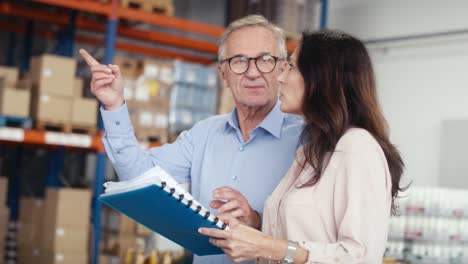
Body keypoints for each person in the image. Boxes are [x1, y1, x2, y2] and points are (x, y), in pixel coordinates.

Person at [79, 15, 303, 264]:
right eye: (239, 61)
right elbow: (137, 176)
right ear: (222, 73)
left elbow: (320, 239)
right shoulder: (204, 134)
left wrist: (258, 221)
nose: (252, 72)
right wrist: (114, 106)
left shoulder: (309, 140)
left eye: (265, 60)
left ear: (283, 69)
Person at [199, 30, 406, 263]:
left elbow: (360, 257)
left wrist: (268, 246)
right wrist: (254, 221)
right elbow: (303, 233)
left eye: (291, 67)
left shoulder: (356, 147)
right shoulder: (310, 150)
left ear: (322, 78)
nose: (279, 77)